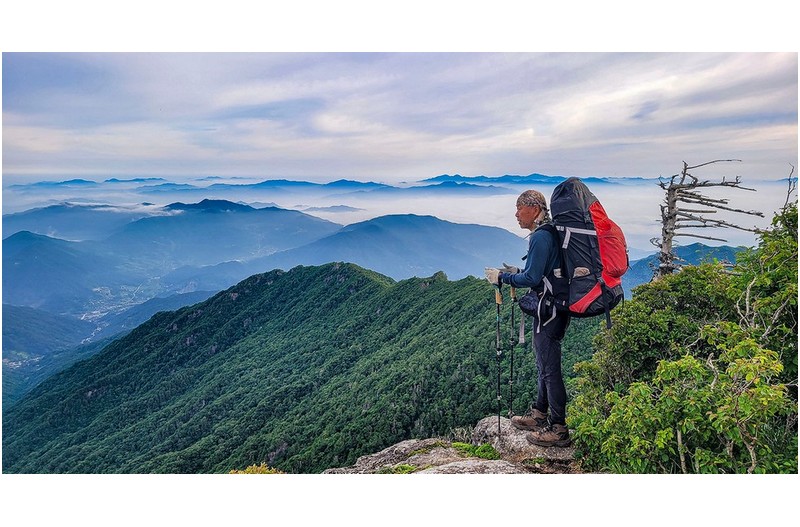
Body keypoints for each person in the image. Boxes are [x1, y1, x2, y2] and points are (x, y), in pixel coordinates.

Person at [484, 189, 571, 447]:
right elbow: (539, 273)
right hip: (553, 306)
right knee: (544, 365)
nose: (516, 214)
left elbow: (532, 279)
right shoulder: (548, 232)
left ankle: (558, 429)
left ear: (533, 209)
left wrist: (503, 277)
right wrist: (517, 271)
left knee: (549, 368)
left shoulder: (541, 237)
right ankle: (540, 414)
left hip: (550, 309)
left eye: (519, 208)